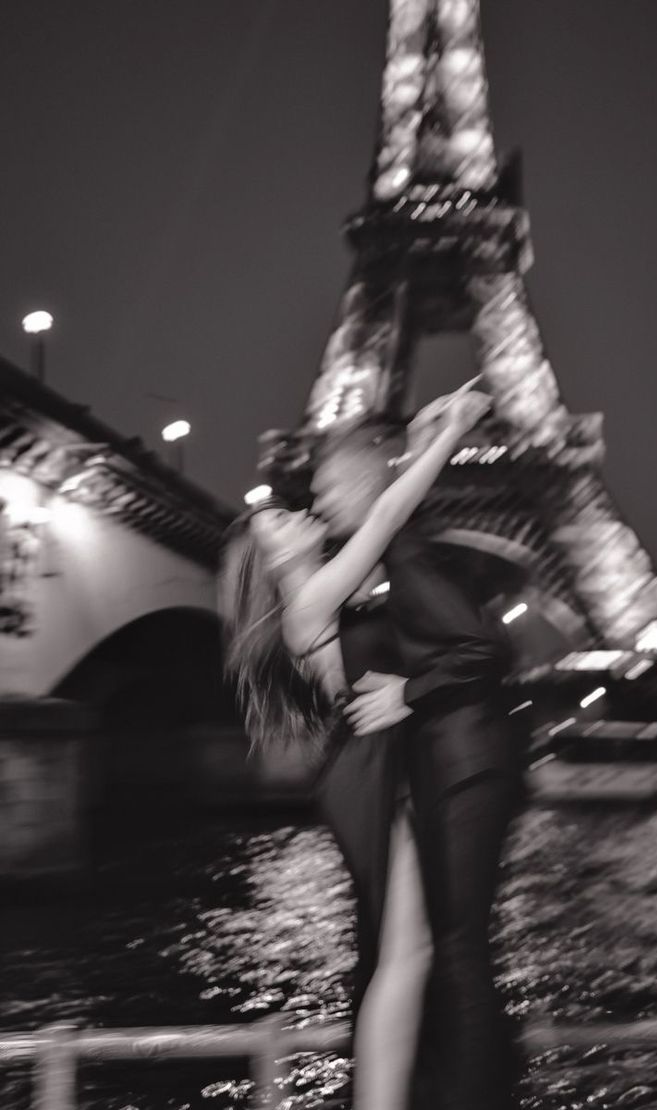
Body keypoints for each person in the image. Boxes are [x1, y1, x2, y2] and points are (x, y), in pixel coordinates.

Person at [221, 386, 491, 1110]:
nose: (297, 512)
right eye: (277, 520)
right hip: (363, 770)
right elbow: (388, 511)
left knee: (408, 949)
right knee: (407, 952)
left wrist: (415, 431)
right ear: (272, 559)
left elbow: (386, 521)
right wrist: (448, 436)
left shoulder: (330, 594)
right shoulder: (309, 601)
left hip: (370, 764)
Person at [310, 414, 529, 1110]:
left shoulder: (405, 556)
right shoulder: (391, 558)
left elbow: (485, 650)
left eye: (325, 485)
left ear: (364, 480)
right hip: (455, 767)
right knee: (450, 949)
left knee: (459, 950)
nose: (318, 501)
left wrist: (409, 691)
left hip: (465, 768)